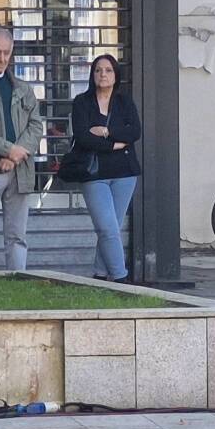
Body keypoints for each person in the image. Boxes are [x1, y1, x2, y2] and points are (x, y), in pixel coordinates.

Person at [70, 55, 142, 282]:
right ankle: (122, 279)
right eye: (98, 70)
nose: (103, 74)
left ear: (115, 75)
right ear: (92, 75)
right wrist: (114, 144)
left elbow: (134, 133)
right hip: (94, 174)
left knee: (111, 229)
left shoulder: (125, 102)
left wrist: (106, 131)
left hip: (125, 174)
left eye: (108, 70)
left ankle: (100, 276)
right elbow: (83, 138)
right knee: (107, 228)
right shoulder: (82, 102)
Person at [0, 27, 41, 270]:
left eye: (5, 53)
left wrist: (14, 154)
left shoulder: (24, 88)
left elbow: (36, 126)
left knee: (17, 236)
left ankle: (17, 281)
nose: (1, 58)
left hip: (19, 170)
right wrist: (7, 149)